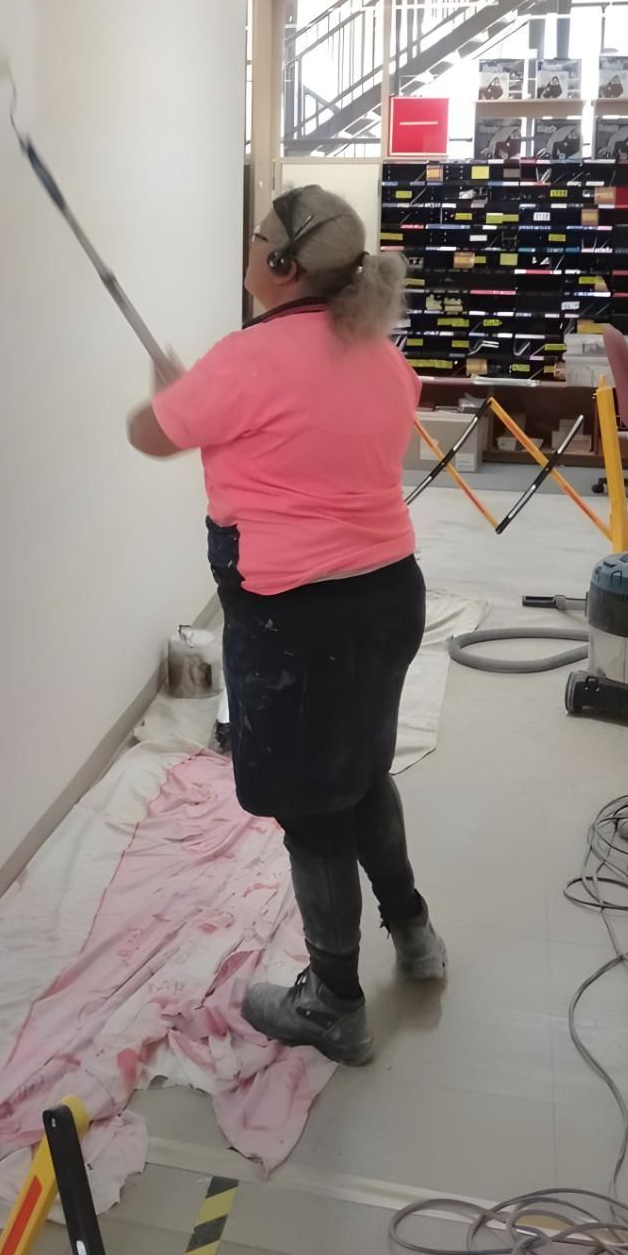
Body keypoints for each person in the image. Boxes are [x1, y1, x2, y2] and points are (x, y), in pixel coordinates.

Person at [126, 185, 445, 1066]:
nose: (252, 245)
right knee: (363, 768)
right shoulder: (379, 353)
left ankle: (334, 1002)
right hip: (388, 600)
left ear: (283, 265)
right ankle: (413, 933)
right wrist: (197, 393)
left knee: (312, 811)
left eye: (261, 237)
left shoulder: (246, 358)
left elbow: (147, 436)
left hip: (296, 619)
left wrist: (170, 394)